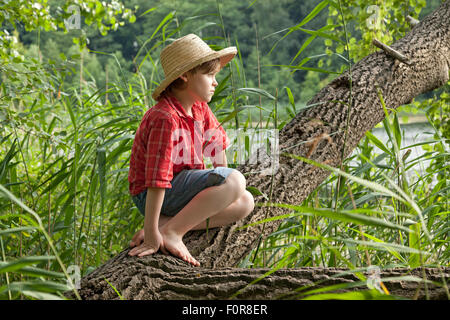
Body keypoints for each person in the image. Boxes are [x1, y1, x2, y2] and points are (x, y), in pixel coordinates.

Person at [127, 34, 255, 266]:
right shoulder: (165, 117)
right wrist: (151, 232)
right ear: (185, 76)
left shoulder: (199, 108)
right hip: (152, 194)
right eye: (209, 75)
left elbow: (217, 148)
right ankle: (171, 232)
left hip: (178, 190)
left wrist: (226, 192)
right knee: (236, 180)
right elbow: (157, 179)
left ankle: (165, 224)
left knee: (245, 201)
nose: (215, 82)